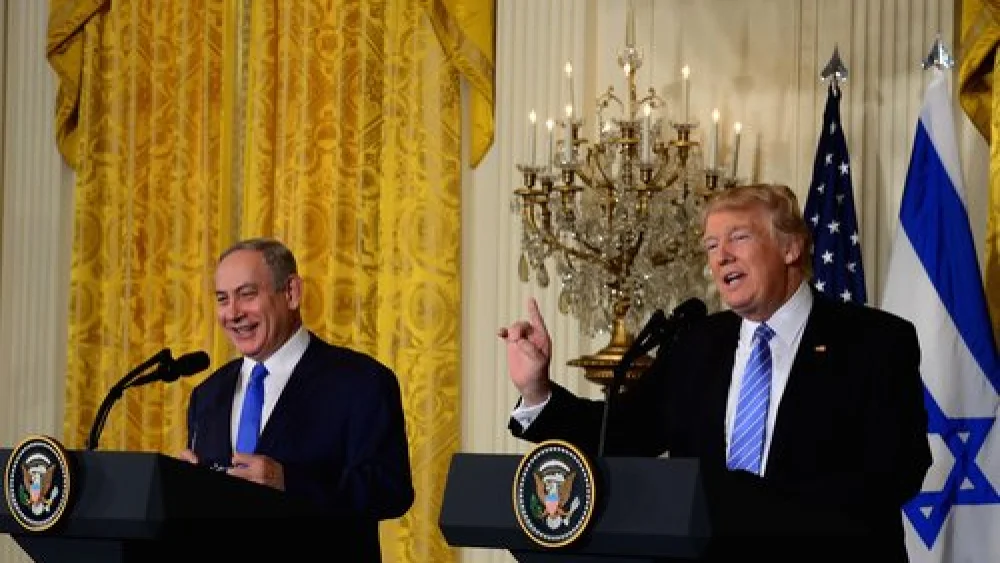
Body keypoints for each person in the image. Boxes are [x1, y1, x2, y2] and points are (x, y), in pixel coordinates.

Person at [499, 184, 931, 562]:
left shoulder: (875, 341)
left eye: (738, 238)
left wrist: (749, 511)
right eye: (710, 245)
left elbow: (896, 472)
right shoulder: (696, 344)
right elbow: (619, 433)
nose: (721, 256)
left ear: (791, 247)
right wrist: (536, 389)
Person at [179, 237, 414, 561]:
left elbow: (390, 490)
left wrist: (290, 482)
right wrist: (183, 487)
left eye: (247, 295)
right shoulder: (208, 394)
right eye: (222, 299)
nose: (232, 313)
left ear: (291, 293)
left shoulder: (360, 381)